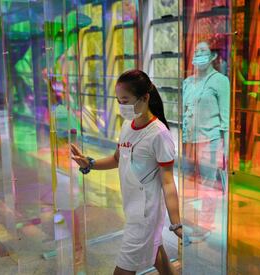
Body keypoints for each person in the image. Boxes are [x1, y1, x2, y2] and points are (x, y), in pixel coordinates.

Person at [71, 69, 182, 275]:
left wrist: (176, 223)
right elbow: (116, 159)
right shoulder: (127, 126)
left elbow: (167, 182)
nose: (122, 107)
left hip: (145, 215)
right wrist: (89, 163)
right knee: (156, 254)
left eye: (125, 100)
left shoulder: (159, 134)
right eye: (119, 101)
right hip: (132, 208)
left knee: (122, 271)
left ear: (145, 98)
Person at [182, 41, 230, 238]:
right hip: (189, 140)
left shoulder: (220, 81)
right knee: (191, 182)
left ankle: (206, 225)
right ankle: (192, 220)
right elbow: (185, 112)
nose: (198, 54)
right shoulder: (188, 82)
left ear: (212, 57)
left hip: (210, 140)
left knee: (208, 184)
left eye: (203, 51)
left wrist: (225, 149)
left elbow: (225, 119)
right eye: (196, 50)